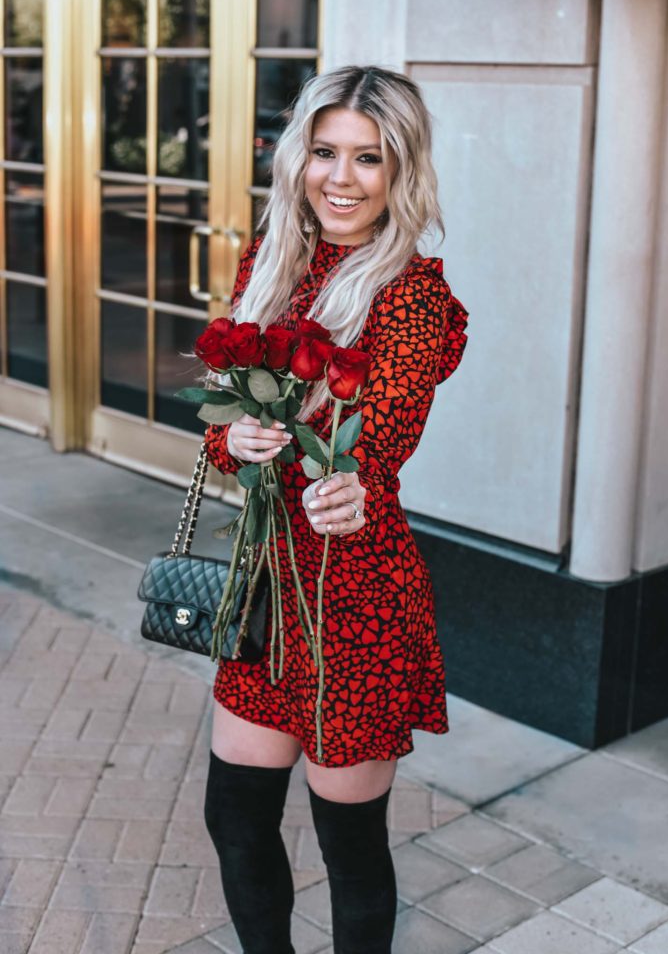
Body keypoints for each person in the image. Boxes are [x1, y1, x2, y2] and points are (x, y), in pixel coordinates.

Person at [202, 65, 469, 954]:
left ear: (400, 172)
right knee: (235, 816)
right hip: (269, 594)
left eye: (369, 158)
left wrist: (349, 488)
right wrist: (232, 442)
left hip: (355, 602)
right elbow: (226, 410)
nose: (342, 178)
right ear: (298, 158)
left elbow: (381, 437)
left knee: (348, 847)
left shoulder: (412, 295)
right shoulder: (271, 262)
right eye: (325, 152)